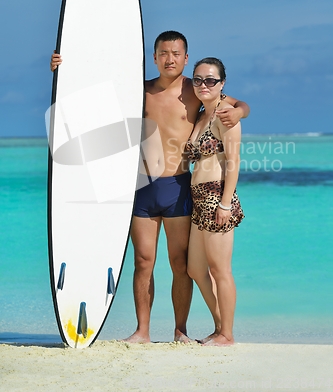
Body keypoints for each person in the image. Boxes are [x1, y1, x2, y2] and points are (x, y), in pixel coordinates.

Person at [50, 31, 250, 343]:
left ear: (185, 58)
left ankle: (180, 330)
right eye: (163, 53)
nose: (169, 59)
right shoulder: (137, 90)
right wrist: (64, 68)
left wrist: (238, 112)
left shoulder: (195, 89)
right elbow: (92, 93)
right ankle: (142, 330)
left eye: (176, 53)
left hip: (179, 186)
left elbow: (238, 105)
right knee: (143, 260)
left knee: (180, 263)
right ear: (154, 57)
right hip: (142, 187)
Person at [186, 57, 244, 346]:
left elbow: (233, 162)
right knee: (195, 269)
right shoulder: (201, 115)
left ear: (221, 84)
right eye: (198, 79)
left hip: (217, 196)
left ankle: (227, 335)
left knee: (220, 269)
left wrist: (224, 203)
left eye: (210, 80)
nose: (203, 85)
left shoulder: (226, 115)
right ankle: (220, 327)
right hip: (198, 199)